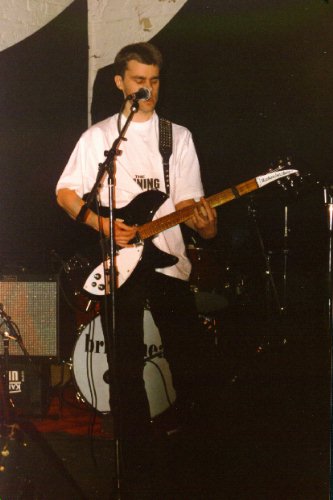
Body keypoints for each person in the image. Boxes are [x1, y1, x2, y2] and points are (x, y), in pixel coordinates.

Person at [56, 42, 217, 479]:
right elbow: (66, 192)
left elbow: (190, 202)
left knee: (188, 355)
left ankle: (196, 453)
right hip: (119, 260)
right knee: (124, 364)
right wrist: (101, 224)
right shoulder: (99, 137)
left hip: (167, 257)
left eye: (154, 81)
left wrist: (205, 225)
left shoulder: (177, 137)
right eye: (139, 81)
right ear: (120, 83)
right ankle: (136, 457)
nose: (148, 89)